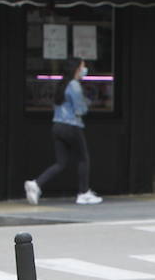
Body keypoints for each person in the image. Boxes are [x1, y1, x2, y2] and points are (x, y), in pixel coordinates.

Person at [24, 57, 102, 206]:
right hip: (72, 126)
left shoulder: (62, 84)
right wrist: (89, 102)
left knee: (61, 162)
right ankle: (83, 193)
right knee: (83, 158)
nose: (84, 70)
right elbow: (80, 109)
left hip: (57, 126)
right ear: (76, 69)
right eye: (83, 67)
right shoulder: (74, 85)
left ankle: (36, 184)